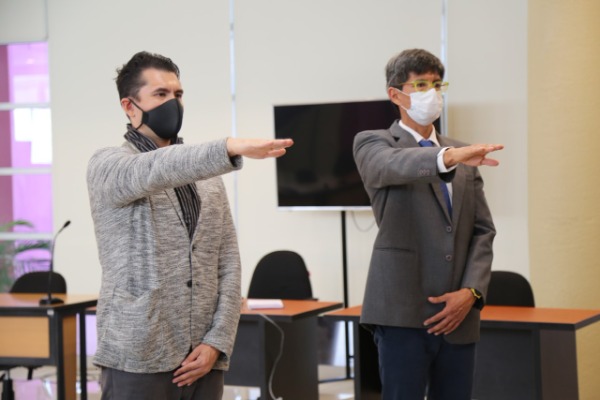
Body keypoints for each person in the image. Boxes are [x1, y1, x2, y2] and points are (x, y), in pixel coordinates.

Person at [86, 51, 293, 400]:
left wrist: (217, 342)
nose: (173, 103)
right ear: (129, 106)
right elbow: (155, 169)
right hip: (137, 355)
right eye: (160, 94)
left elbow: (228, 262)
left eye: (178, 94)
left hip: (204, 358)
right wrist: (229, 146)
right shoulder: (108, 166)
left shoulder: (208, 177)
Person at [353, 48, 503, 400]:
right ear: (395, 94)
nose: (432, 93)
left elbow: (483, 230)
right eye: (420, 84)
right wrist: (448, 157)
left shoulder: (462, 152)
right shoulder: (374, 142)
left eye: (437, 84)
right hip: (401, 312)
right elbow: (391, 166)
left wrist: (471, 292)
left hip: (459, 315)